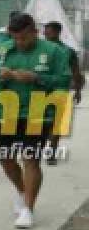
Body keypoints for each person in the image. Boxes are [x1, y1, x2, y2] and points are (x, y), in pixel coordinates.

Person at [0, 13, 72, 229]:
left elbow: (65, 82)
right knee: (6, 159)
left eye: (24, 38)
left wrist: (37, 78)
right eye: (15, 38)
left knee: (31, 159)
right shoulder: (2, 50)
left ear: (35, 32)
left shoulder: (54, 51)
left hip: (38, 112)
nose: (19, 43)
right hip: (6, 111)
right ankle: (22, 191)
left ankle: (28, 208)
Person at [41, 21, 83, 166]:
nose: (45, 33)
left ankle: (51, 153)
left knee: (57, 122)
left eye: (48, 31)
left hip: (60, 90)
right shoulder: (38, 48)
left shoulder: (68, 51)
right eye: (44, 31)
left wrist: (77, 90)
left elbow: (76, 72)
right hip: (39, 90)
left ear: (57, 32)